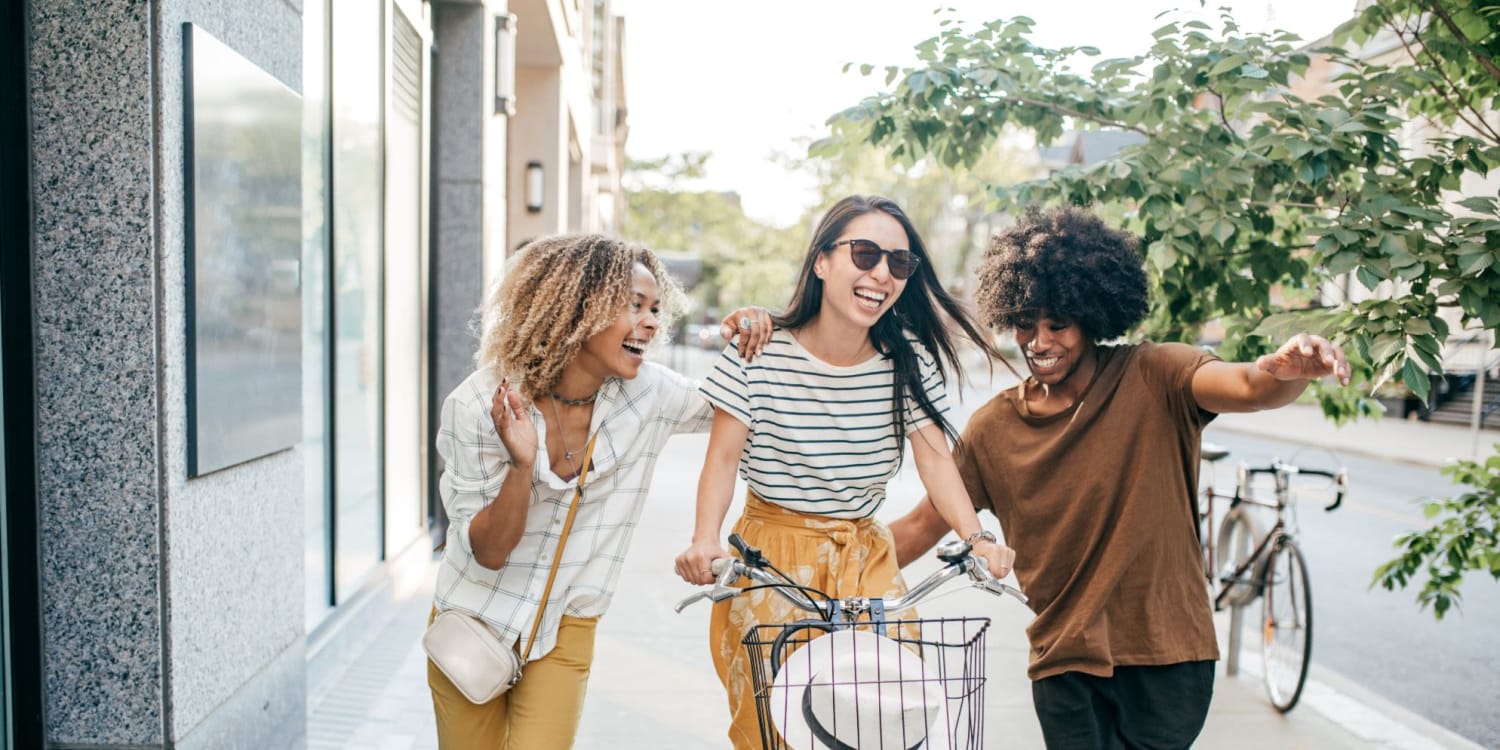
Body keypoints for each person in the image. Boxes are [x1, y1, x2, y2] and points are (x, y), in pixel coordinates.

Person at [888, 205, 1351, 750]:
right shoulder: (993, 428)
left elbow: (1250, 385)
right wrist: (831, 568)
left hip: (1166, 655)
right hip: (1063, 660)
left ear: (1092, 315)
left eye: (1057, 323)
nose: (1039, 341)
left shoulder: (1156, 375)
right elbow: (923, 525)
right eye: (1025, 324)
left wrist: (1288, 370)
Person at [673, 194, 1019, 750]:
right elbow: (722, 459)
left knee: (890, 718)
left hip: (865, 557)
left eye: (899, 263)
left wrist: (975, 537)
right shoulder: (757, 353)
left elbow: (934, 457)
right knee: (776, 727)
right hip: (771, 556)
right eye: (864, 254)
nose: (881, 273)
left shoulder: (907, 359)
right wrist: (704, 540)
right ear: (822, 262)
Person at [428, 234, 771, 749]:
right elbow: (490, 552)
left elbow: (735, 409)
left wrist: (755, 334)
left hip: (566, 626)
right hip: (473, 622)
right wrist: (522, 465)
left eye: (656, 308)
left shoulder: (649, 393)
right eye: (634, 306)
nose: (652, 322)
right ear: (576, 308)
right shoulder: (479, 405)